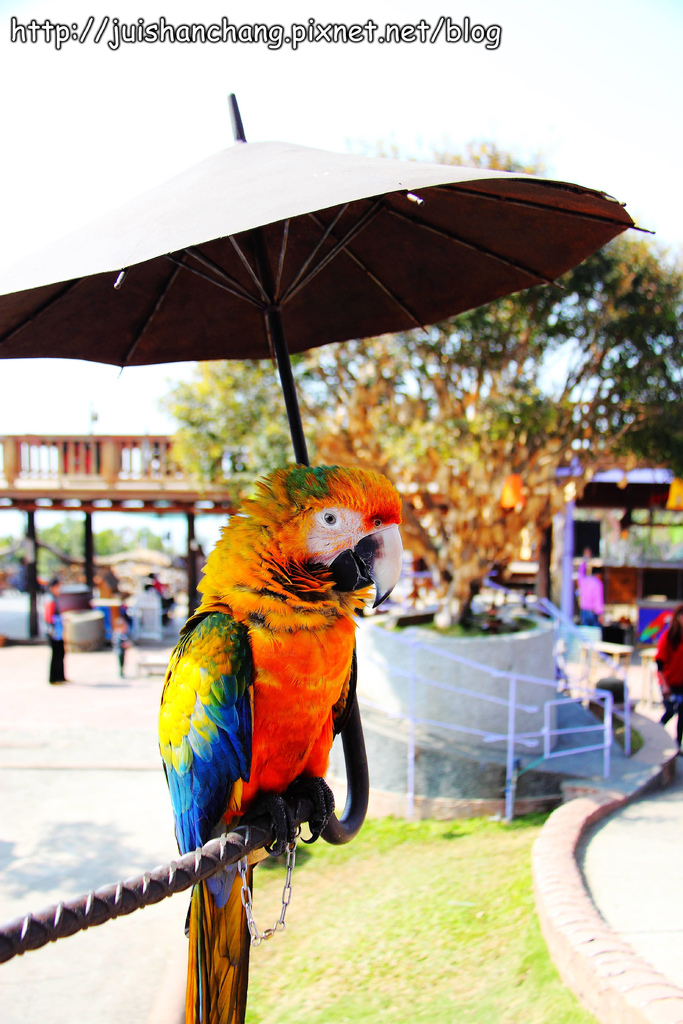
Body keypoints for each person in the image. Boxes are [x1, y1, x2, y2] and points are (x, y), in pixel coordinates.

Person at [656, 603, 683, 753]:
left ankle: (677, 744)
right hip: (668, 682)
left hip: (681, 682)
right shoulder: (668, 636)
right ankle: (655, 734)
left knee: (682, 715)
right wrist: (665, 685)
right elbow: (659, 662)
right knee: (670, 712)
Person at [44, 578, 67, 684]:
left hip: (58, 629)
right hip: (54, 631)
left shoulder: (54, 598)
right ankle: (54, 678)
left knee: (61, 653)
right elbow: (48, 617)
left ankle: (60, 676)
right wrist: (52, 629)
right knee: (56, 654)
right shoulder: (50, 600)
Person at [577, 549, 604, 627]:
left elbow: (580, 571)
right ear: (599, 574)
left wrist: (585, 558)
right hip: (592, 612)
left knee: (585, 633)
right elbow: (598, 599)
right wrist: (600, 613)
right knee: (594, 634)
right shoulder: (597, 583)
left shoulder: (584, 581)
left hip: (584, 611)